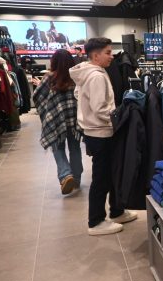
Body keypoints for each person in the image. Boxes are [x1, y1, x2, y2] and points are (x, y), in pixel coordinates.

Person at [70, 37, 137, 236]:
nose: (112, 56)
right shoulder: (96, 76)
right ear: (95, 55)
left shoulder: (87, 72)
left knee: (110, 173)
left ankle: (117, 211)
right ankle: (96, 221)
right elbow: (100, 109)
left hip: (96, 131)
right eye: (108, 52)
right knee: (102, 177)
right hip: (101, 133)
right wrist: (117, 119)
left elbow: (78, 95)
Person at [32, 49, 83, 195]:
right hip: (74, 118)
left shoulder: (49, 77)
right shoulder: (76, 76)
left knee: (58, 147)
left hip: (56, 118)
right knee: (75, 147)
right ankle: (76, 178)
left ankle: (66, 175)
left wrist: (47, 105)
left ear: (53, 62)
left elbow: (37, 96)